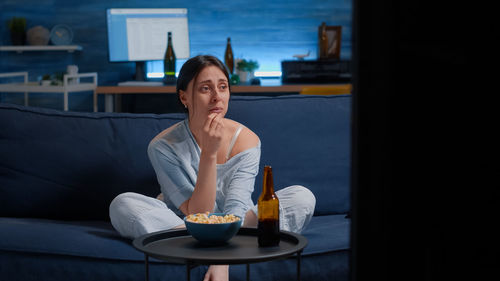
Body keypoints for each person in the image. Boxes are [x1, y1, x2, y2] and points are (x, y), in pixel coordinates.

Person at [109, 55, 316, 281]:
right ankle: (231, 247)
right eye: (205, 88)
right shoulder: (162, 146)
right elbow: (198, 214)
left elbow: (236, 208)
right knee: (123, 204)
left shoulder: (247, 141)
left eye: (223, 87)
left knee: (302, 197)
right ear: (184, 97)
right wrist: (209, 153)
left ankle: (199, 250)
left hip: (238, 220)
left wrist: (221, 262)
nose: (217, 97)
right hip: (184, 223)